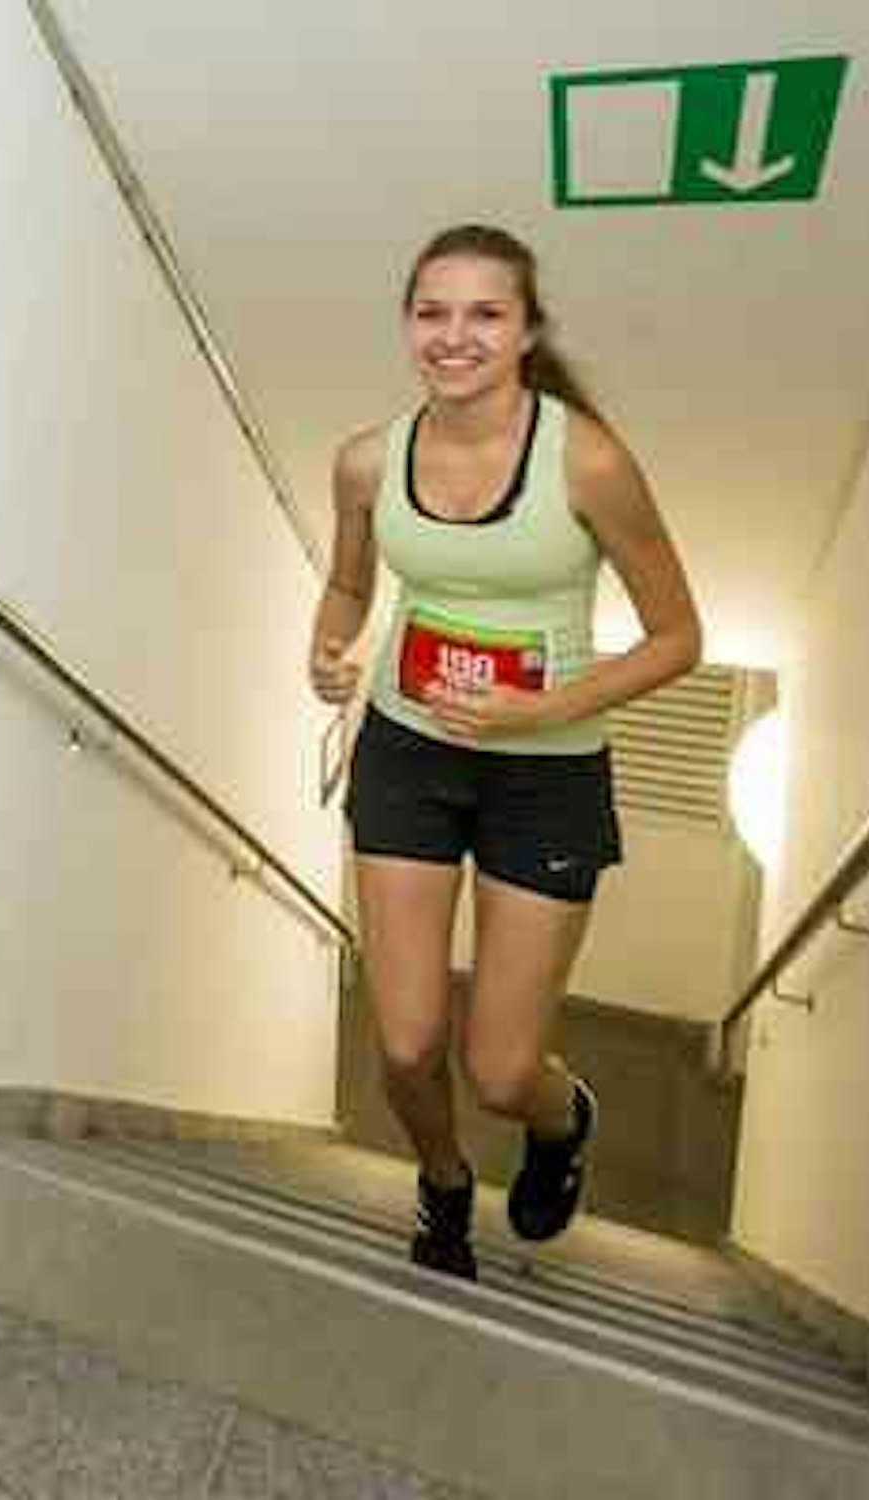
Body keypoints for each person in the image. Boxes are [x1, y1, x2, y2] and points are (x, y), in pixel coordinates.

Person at [308, 224, 702, 1280]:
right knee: (400, 1043)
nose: (454, 335)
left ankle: (562, 1120)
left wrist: (545, 709)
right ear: (407, 325)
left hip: (549, 773)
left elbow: (679, 638)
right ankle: (441, 1182)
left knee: (499, 1066)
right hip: (407, 752)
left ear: (526, 329)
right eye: (432, 311)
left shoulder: (588, 460)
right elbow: (349, 585)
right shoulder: (363, 461)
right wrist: (328, 649)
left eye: (484, 313)